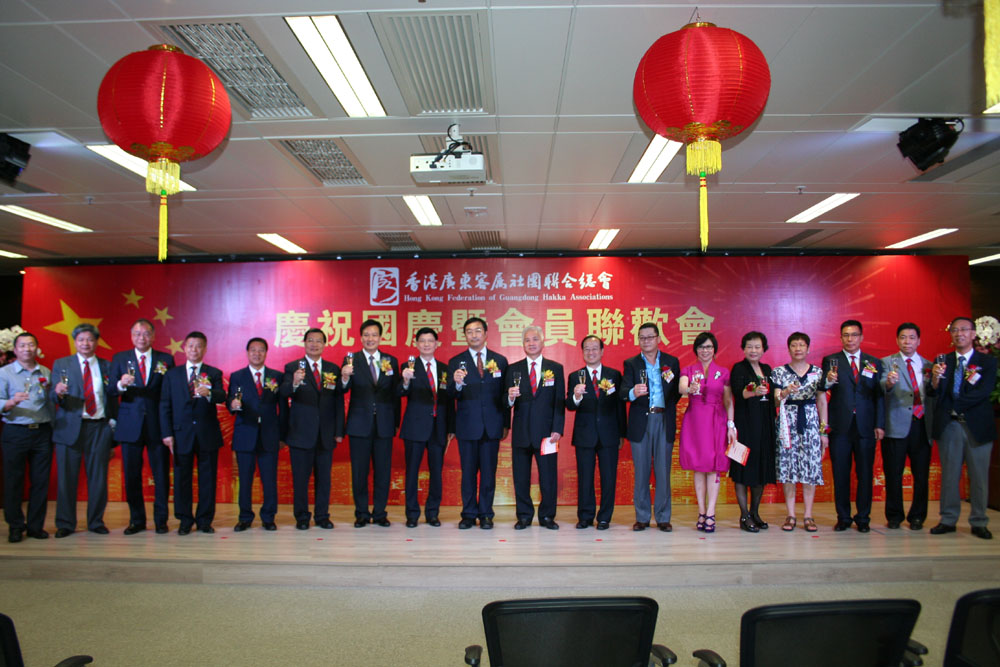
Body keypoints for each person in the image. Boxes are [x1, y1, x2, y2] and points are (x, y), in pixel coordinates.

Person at [927, 317, 998, 539]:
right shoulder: (943, 361)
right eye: (955, 330)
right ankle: (948, 519)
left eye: (964, 330)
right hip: (950, 426)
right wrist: (935, 380)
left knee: (979, 477)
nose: (959, 334)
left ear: (973, 334)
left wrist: (953, 405)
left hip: (978, 426)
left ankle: (979, 521)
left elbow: (983, 392)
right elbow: (934, 393)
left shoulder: (987, 362)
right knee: (950, 475)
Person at [110, 318, 174, 534]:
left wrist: (169, 427)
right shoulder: (120, 358)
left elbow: (169, 393)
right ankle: (136, 520)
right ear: (131, 336)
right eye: (137, 334)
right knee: (132, 475)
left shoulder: (165, 359)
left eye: (146, 333)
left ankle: (161, 520)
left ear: (153, 336)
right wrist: (121, 384)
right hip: (130, 424)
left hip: (158, 424)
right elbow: (110, 390)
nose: (142, 338)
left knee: (161, 474)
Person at [50, 324, 115, 538]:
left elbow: (112, 396)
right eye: (81, 340)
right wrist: (58, 392)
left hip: (98, 427)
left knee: (98, 478)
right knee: (67, 478)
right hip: (69, 428)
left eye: (90, 339)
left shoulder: (106, 366)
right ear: (75, 342)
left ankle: (96, 522)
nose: (85, 344)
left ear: (96, 342)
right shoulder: (62, 364)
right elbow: (52, 396)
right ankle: (65, 523)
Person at [159, 331, 225, 535]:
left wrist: (210, 393)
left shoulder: (213, 373)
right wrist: (167, 433)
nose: (194, 350)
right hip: (181, 435)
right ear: (184, 348)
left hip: (207, 433)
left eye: (198, 346)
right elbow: (164, 405)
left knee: (208, 479)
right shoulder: (172, 375)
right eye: (190, 346)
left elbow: (222, 395)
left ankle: (205, 520)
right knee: (182, 479)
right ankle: (184, 520)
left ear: (205, 349)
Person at [821, 319, 884, 533]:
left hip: (866, 426)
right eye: (846, 335)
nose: (850, 339)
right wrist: (828, 380)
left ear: (861, 337)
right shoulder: (831, 361)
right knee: (841, 474)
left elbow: (879, 396)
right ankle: (844, 517)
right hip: (840, 427)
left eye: (854, 335)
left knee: (865, 474)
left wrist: (879, 424)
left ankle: (863, 518)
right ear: (840, 338)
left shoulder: (873, 362)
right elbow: (823, 388)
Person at [448, 317, 509, 530]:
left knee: (489, 473)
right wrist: (456, 384)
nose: (473, 335)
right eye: (469, 331)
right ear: (465, 335)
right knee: (468, 473)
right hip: (467, 426)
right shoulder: (456, 362)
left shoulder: (500, 361)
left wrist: (506, 424)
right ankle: (468, 514)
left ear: (485, 333)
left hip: (492, 426)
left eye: (477, 331)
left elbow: (505, 396)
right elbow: (449, 395)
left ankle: (486, 514)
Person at [280, 328, 344, 530]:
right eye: (310, 340)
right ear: (304, 343)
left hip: (325, 434)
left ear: (324, 345)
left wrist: (339, 431)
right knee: (300, 479)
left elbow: (338, 401)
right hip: (301, 433)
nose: (314, 344)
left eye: (318, 341)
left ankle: (322, 516)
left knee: (324, 479)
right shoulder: (292, 367)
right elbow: (283, 393)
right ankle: (302, 517)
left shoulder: (332, 369)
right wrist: (294, 382)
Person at [621, 322, 681, 532]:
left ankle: (663, 517)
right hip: (641, 421)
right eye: (642, 338)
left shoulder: (671, 362)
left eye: (650, 337)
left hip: (663, 419)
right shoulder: (631, 363)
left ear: (658, 339)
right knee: (642, 471)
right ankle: (642, 517)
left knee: (663, 471)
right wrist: (633, 392)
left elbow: (676, 392)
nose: (646, 341)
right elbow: (623, 392)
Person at [506, 326, 565, 530]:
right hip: (521, 432)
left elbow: (559, 401)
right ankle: (524, 516)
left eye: (535, 339)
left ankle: (547, 516)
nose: (531, 343)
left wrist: (557, 428)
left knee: (548, 477)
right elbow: (504, 402)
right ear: (523, 344)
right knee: (521, 477)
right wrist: (509, 397)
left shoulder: (555, 368)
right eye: (527, 340)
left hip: (547, 434)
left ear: (543, 341)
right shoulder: (513, 369)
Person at [342, 319, 400, 528]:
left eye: (374, 335)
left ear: (380, 338)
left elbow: (395, 394)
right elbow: (343, 389)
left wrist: (395, 422)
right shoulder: (351, 360)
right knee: (359, 472)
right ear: (360, 338)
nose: (370, 338)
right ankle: (361, 513)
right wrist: (344, 377)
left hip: (384, 424)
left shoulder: (390, 361)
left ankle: (380, 512)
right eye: (366, 335)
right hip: (359, 424)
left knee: (383, 471)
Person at [566, 335, 626, 530]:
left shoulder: (614, 375)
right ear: (582, 352)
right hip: (585, 434)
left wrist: (621, 433)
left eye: (594, 348)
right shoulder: (575, 376)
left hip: (609, 434)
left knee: (609, 478)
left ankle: (605, 517)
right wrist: (576, 396)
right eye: (587, 349)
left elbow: (619, 406)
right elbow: (569, 405)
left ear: (601, 351)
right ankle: (585, 516)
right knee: (585, 478)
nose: (590, 352)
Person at [771, 332, 829, 532]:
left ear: (808, 349)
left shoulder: (818, 372)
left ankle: (808, 515)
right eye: (794, 345)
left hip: (811, 421)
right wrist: (785, 392)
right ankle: (791, 515)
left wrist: (823, 432)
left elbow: (822, 402)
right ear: (788, 349)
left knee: (810, 467)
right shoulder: (779, 372)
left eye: (801, 345)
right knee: (788, 467)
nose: (798, 348)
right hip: (787, 423)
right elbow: (776, 400)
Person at [678, 332, 736, 533]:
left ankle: (711, 512)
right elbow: (682, 387)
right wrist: (689, 388)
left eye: (709, 347)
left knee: (714, 466)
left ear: (714, 350)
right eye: (701, 347)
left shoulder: (724, 372)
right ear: (696, 350)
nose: (705, 351)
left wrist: (731, 425)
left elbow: (728, 401)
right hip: (695, 421)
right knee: (698, 466)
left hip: (716, 421)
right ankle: (701, 512)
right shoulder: (688, 370)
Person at [397, 327, 454, 528]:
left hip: (439, 428)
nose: (427, 344)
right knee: (412, 472)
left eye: (430, 341)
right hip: (415, 427)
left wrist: (451, 427)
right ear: (416, 344)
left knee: (436, 472)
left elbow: (449, 400)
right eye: (422, 341)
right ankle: (412, 514)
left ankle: (432, 513)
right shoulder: (408, 367)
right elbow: (399, 392)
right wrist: (405, 381)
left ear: (437, 344)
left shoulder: (445, 369)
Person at [0, 332, 53, 542]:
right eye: (22, 345)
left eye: (31, 345)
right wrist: (11, 402)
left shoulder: (46, 372)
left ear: (37, 348)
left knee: (40, 482)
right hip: (16, 431)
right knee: (14, 481)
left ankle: (35, 526)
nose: (27, 349)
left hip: (42, 432)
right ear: (15, 350)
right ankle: (15, 526)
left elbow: (51, 401)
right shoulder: (5, 373)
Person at [228, 337, 285, 532]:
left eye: (261, 350)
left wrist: (282, 435)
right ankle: (245, 517)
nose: (257, 353)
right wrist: (233, 404)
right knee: (245, 480)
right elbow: (231, 399)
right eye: (253, 350)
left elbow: (283, 408)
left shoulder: (276, 376)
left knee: (269, 480)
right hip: (245, 434)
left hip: (269, 435)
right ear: (247, 353)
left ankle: (268, 517)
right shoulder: (237, 376)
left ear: (266, 353)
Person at [880, 323, 932, 530]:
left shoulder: (929, 365)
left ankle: (917, 516)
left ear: (919, 341)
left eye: (911, 337)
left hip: (922, 426)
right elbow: (881, 386)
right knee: (893, 474)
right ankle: (894, 516)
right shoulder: (887, 362)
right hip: (896, 426)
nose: (907, 341)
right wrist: (889, 383)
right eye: (903, 337)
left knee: (921, 475)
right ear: (897, 340)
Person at [729, 331, 777, 532]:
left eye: (757, 347)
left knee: (761, 469)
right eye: (749, 346)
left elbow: (773, 395)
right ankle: (744, 516)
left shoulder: (767, 369)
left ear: (764, 349)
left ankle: (755, 512)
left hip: (765, 424)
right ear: (743, 348)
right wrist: (753, 392)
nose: (753, 350)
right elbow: (738, 392)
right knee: (742, 471)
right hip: (745, 425)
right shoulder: (739, 368)